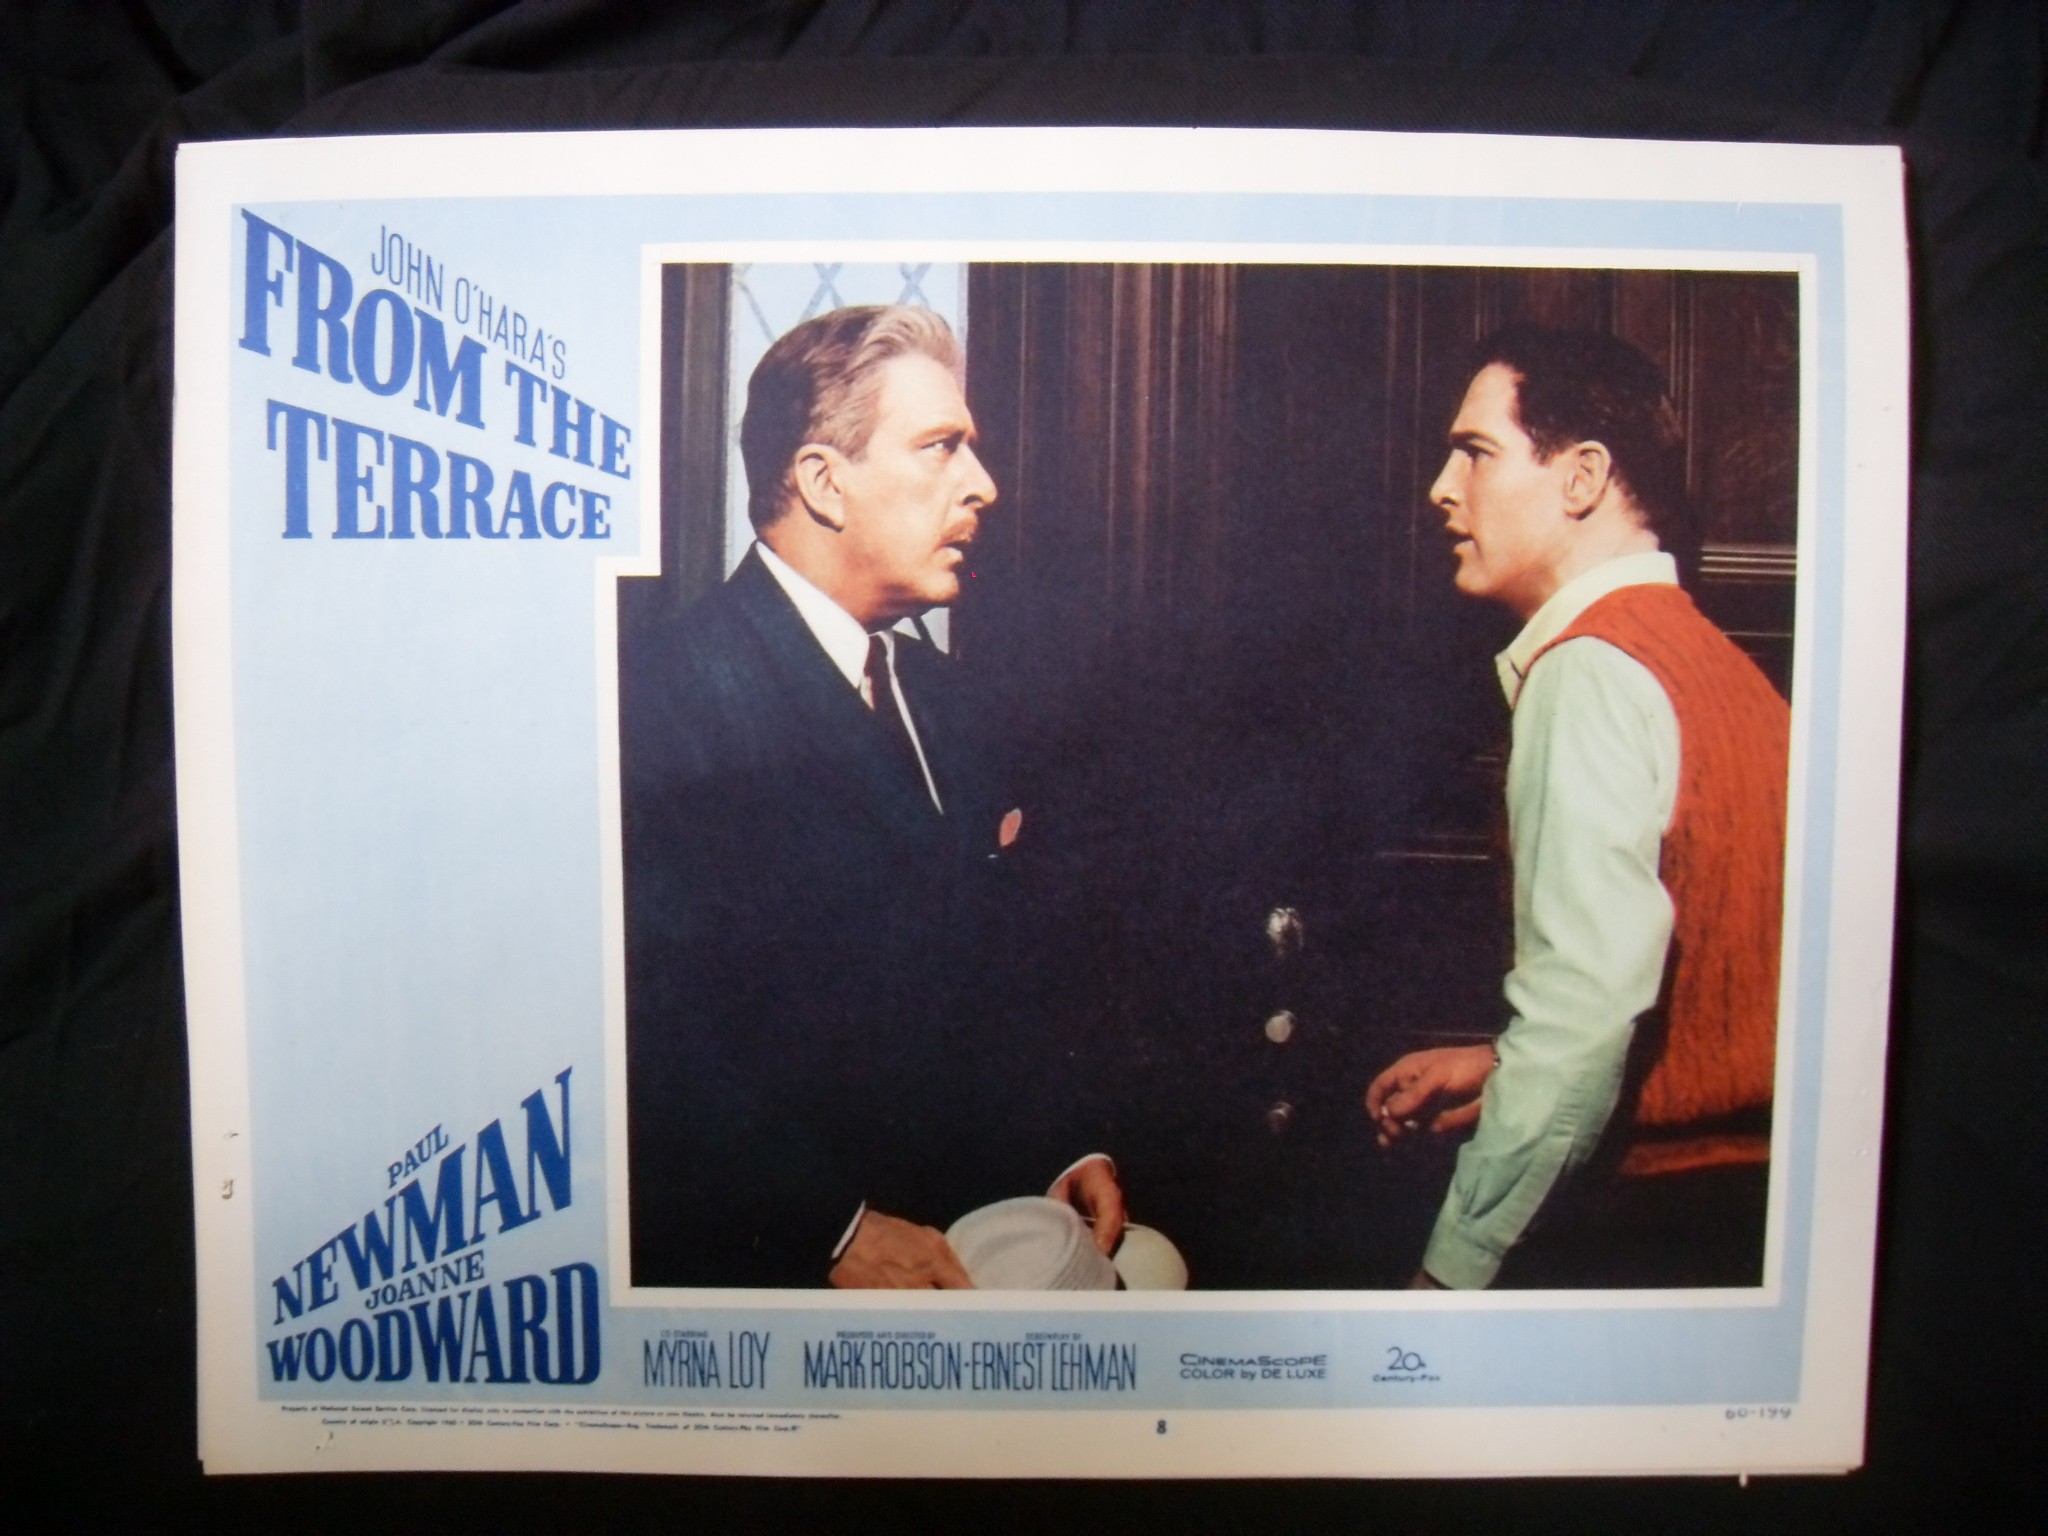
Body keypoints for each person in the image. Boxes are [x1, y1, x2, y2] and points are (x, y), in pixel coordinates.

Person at [621, 304, 1121, 1289]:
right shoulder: (661, 700)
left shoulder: (944, 696)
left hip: (979, 1258)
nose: (983, 485)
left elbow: (980, 974)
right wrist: (829, 1228)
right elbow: (647, 1041)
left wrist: (1055, 1143)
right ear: (822, 482)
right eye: (940, 447)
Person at [1365, 326, 1788, 1289]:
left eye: (1476, 452)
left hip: (1662, 1228)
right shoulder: (1715, 665)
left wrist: (1451, 1274)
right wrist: (1504, 1061)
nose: (1440, 488)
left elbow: (1582, 1017)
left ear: (1583, 477)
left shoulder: (1589, 670)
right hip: (1748, 1219)